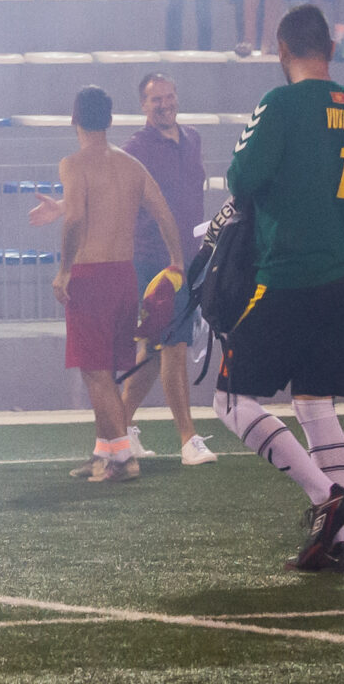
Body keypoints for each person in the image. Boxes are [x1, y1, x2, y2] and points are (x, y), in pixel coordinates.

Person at [213, 3, 344, 572]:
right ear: (331, 50)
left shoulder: (279, 103)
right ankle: (334, 547)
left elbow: (241, 178)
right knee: (316, 402)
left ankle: (325, 498)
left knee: (229, 399)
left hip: (289, 275)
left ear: (281, 50)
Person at [50, 86, 185, 482]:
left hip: (90, 277)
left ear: (74, 119)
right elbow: (164, 213)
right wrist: (177, 262)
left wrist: (64, 270)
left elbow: (75, 218)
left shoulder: (73, 164)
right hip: (124, 276)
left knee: (95, 371)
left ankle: (123, 458)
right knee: (104, 370)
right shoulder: (131, 165)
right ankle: (104, 453)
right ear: (109, 120)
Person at [119, 73, 215, 464]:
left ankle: (118, 430)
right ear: (143, 105)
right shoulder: (134, 148)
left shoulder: (193, 139)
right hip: (153, 262)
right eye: (155, 99)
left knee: (154, 352)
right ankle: (188, 439)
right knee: (173, 346)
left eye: (169, 96)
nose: (165, 104)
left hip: (188, 259)